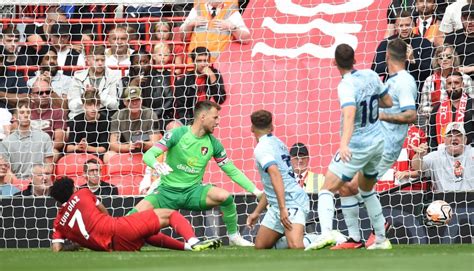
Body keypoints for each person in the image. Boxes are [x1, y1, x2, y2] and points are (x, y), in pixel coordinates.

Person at [132, 100, 262, 246]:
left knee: (225, 197)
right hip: (166, 192)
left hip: (192, 193)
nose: (218, 122)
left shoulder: (213, 143)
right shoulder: (177, 134)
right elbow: (148, 155)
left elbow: (231, 170)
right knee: (129, 220)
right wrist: (157, 164)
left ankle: (234, 237)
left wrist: (256, 191)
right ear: (203, 117)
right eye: (215, 117)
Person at [329, 39, 418, 250]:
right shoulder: (392, 79)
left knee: (350, 185)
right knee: (346, 186)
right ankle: (357, 237)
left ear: (387, 56)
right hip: (375, 142)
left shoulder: (404, 81)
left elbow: (411, 114)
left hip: (385, 147)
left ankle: (376, 230)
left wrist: (381, 115)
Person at [305, 43, 393, 251]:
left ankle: (326, 233)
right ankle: (377, 238)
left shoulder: (345, 85)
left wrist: (343, 144)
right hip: (377, 142)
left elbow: (350, 113)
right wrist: (371, 103)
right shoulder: (371, 75)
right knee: (362, 188)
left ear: (334, 62)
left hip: (357, 145)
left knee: (327, 188)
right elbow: (388, 102)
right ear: (355, 59)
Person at [50, 177, 222, 252]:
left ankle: (186, 247)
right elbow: (103, 211)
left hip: (115, 248)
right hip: (117, 228)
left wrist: (73, 245)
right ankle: (194, 242)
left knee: (146, 234)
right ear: (73, 190)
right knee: (169, 215)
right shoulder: (83, 193)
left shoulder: (58, 223)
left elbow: (57, 249)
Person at [245, 110, 309, 249]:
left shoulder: (262, 148)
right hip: (278, 204)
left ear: (252, 128)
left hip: (292, 202)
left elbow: (276, 175)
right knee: (260, 246)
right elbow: (271, 185)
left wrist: (282, 208)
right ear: (272, 127)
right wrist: (256, 212)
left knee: (296, 246)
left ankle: (315, 239)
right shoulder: (278, 143)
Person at [372, 10, 433, 92]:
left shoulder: (424, 43)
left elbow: (431, 70)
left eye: (407, 25)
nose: (404, 28)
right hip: (392, 90)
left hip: (417, 89)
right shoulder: (386, 43)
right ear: (396, 27)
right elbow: (375, 69)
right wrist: (396, 62)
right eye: (401, 25)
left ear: (413, 25)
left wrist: (413, 61)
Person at [180, 0, 250, 62]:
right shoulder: (196, 10)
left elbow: (246, 39)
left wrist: (232, 27)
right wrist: (190, 24)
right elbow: (182, 37)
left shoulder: (232, 12)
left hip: (220, 66)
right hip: (195, 65)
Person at [104, 86, 160, 163]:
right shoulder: (117, 116)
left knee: (160, 155)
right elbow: (113, 145)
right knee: (108, 155)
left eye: (137, 99)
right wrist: (128, 147)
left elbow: (155, 143)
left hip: (147, 151)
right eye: (130, 100)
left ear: (141, 100)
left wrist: (143, 144)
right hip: (127, 150)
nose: (134, 103)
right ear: (125, 102)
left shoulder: (150, 115)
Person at [412, 122, 474, 191]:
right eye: (450, 135)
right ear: (444, 140)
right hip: (443, 199)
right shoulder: (436, 156)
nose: (454, 138)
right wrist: (419, 155)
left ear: (465, 140)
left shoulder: (471, 153)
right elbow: (417, 167)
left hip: (470, 199)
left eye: (458, 135)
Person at [0, 101, 54, 179]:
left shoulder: (44, 137)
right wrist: (19, 184)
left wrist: (38, 179)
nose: (25, 115)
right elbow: (7, 171)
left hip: (40, 182)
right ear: (14, 117)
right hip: (17, 184)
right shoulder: (6, 142)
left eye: (28, 112)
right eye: (22, 112)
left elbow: (49, 166)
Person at [174, 47, 226, 125]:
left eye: (205, 61)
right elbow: (181, 109)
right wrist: (191, 124)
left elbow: (220, 100)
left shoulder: (215, 74)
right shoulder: (184, 81)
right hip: (189, 118)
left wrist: (212, 77)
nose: (203, 64)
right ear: (193, 62)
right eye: (199, 61)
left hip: (208, 117)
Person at [68, 45, 121, 119]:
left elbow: (115, 105)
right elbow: (72, 106)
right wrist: (85, 96)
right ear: (88, 60)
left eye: (102, 60)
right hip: (81, 115)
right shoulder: (78, 77)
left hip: (105, 116)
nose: (100, 63)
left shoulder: (113, 76)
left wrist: (97, 94)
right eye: (96, 60)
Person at [427, 72, 474, 151]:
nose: (453, 86)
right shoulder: (436, 109)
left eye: (456, 83)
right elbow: (432, 138)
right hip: (443, 156)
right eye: (449, 83)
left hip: (469, 155)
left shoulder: (472, 105)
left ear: (462, 84)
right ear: (445, 86)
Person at [66, 90, 110, 158]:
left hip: (98, 156)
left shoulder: (106, 121)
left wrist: (87, 148)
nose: (93, 109)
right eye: (89, 105)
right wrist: (78, 147)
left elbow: (103, 149)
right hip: (79, 155)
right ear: (83, 106)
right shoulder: (76, 121)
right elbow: (69, 148)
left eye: (96, 105)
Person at [444, 4, 474, 77]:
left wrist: (471, 68)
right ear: (461, 19)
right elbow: (444, 59)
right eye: (466, 18)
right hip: (457, 77)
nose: (469, 22)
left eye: (473, 18)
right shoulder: (452, 37)